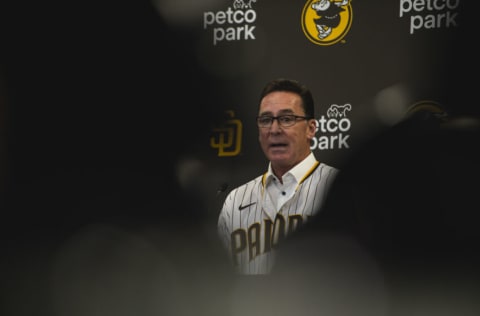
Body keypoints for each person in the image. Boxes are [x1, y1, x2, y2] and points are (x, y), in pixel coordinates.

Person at [217, 78, 339, 275]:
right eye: (265, 120)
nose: (274, 130)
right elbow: (218, 278)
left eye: (287, 119)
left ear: (311, 129)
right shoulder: (235, 200)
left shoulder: (340, 189)